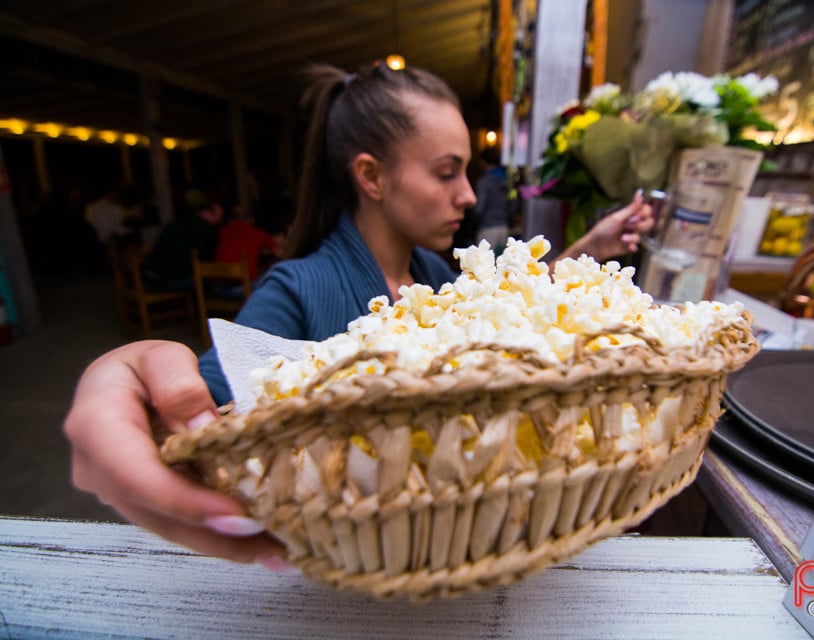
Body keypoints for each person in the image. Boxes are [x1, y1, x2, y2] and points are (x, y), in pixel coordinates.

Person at [63, 62, 654, 569]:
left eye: (467, 173)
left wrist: (590, 251)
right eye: (447, 172)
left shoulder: (432, 274)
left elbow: (507, 316)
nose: (469, 196)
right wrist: (133, 374)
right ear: (370, 175)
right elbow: (205, 403)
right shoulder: (297, 288)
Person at [141, 190, 224, 291]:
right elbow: (208, 261)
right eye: (218, 217)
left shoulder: (177, 223)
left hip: (153, 277)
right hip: (168, 279)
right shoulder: (204, 230)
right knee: (213, 282)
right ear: (207, 213)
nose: (219, 222)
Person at [473, 147, 513, 254]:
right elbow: (514, 204)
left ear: (483, 162)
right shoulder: (506, 180)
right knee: (501, 264)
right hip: (503, 227)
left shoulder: (484, 182)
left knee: (483, 264)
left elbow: (479, 208)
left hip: (487, 228)